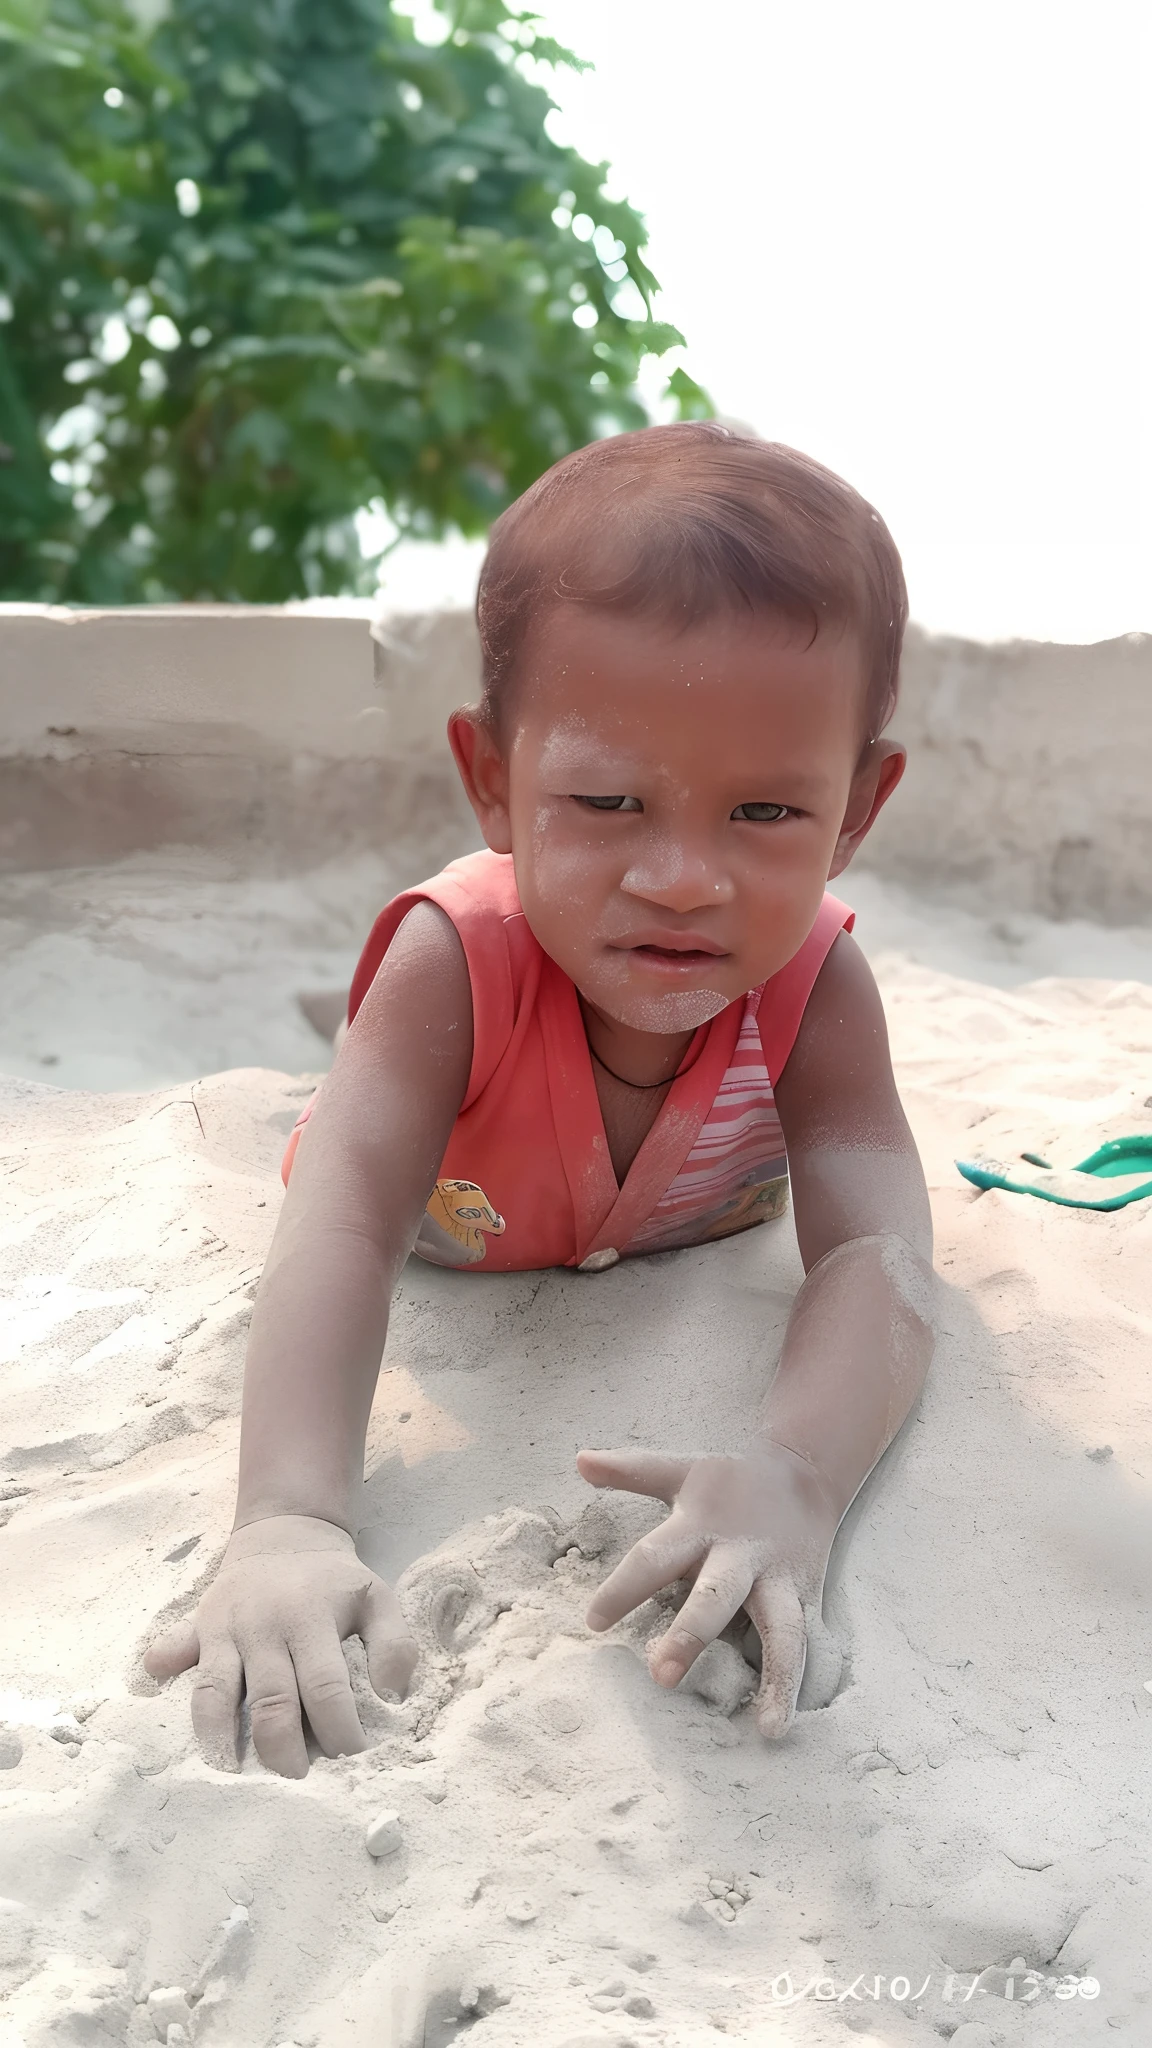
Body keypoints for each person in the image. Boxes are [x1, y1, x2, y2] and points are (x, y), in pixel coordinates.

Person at [145, 422, 935, 1778]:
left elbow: (884, 1253)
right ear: (493, 781)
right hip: (453, 1214)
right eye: (611, 799)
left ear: (858, 808)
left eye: (766, 816)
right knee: (351, 1128)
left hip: (668, 1221)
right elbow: (340, 1225)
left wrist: (799, 1475)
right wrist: (285, 1518)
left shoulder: (819, 989)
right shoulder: (453, 962)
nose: (684, 876)